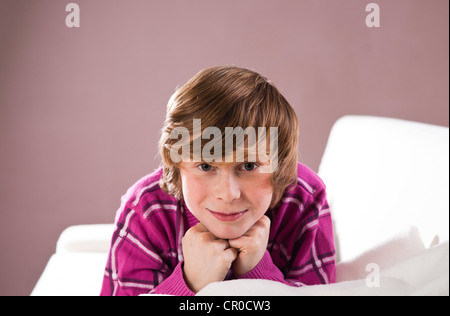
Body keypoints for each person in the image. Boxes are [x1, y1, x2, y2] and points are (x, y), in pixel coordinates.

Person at [100, 66, 336, 296]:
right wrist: (191, 283)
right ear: (176, 166)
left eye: (249, 166)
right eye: (205, 166)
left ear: (281, 168)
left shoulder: (305, 198)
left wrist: (258, 273)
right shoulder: (145, 210)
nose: (228, 194)